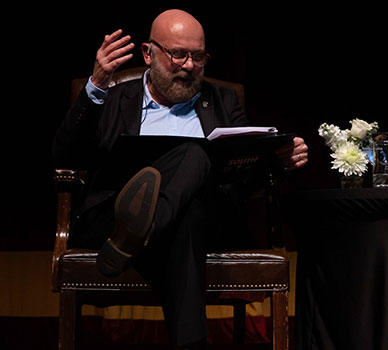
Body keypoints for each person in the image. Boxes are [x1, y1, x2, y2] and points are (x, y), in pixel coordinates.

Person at [52, 9, 308, 348]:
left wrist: (280, 162)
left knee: (195, 159)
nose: (189, 66)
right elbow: (65, 156)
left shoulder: (222, 101)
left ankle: (145, 228)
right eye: (178, 54)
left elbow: (243, 178)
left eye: (198, 56)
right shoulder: (113, 99)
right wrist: (96, 84)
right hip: (114, 218)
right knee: (187, 206)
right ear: (148, 53)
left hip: (194, 223)